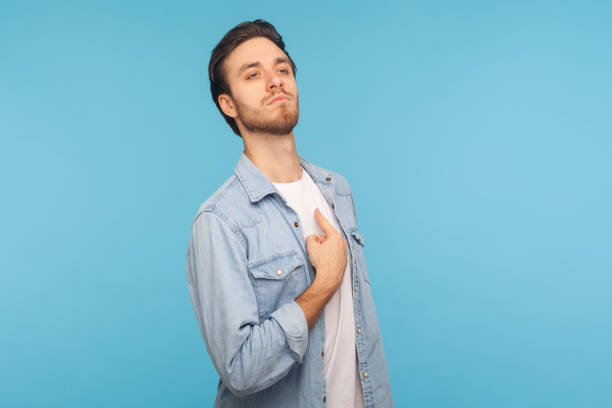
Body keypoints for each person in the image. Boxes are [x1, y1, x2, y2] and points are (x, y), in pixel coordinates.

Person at [185, 19, 393, 407]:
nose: (275, 81)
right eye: (253, 74)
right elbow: (242, 369)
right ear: (227, 104)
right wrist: (324, 283)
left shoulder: (336, 191)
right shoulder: (220, 221)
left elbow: (357, 333)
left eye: (282, 69)